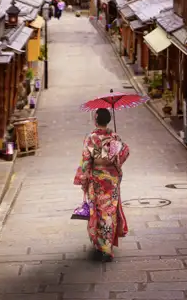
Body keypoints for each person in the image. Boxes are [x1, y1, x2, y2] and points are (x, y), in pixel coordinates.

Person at [73, 108, 130, 261]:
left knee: (97, 212)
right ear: (109, 120)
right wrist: (116, 150)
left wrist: (84, 178)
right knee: (109, 213)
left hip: (97, 181)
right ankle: (106, 246)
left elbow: (86, 160)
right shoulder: (115, 136)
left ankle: (102, 247)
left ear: (96, 120)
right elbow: (124, 154)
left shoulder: (91, 138)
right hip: (111, 181)